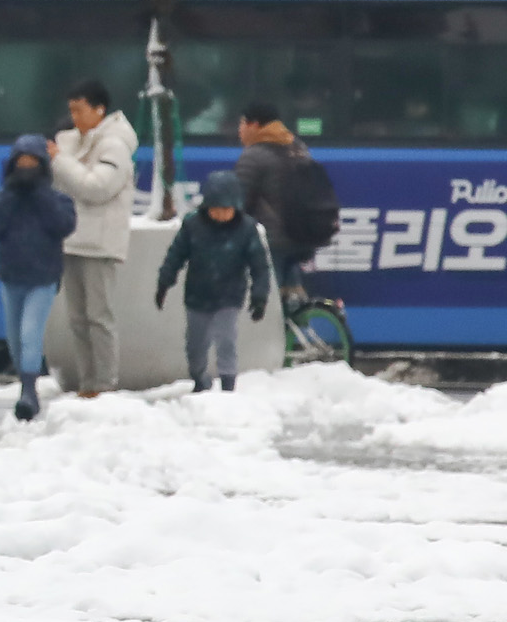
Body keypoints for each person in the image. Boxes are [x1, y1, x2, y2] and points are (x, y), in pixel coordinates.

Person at [47, 78, 139, 398]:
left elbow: (97, 188)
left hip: (99, 242)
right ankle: (87, 382)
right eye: (71, 110)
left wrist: (60, 160)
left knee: (99, 317)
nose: (74, 118)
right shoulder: (70, 141)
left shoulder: (114, 145)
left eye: (80, 110)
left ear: (100, 110)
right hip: (71, 237)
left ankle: (104, 383)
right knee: (77, 318)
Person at [0, 135, 76, 421]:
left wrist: (40, 193)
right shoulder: (3, 197)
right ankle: (25, 383)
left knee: (30, 333)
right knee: (14, 339)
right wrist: (11, 193)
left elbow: (64, 224)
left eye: (33, 164)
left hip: (43, 277)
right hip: (11, 275)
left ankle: (29, 393)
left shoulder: (56, 199)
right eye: (21, 164)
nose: (26, 169)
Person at [155, 170, 271, 394]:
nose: (221, 214)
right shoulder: (192, 225)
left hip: (230, 295)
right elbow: (175, 256)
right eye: (216, 209)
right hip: (198, 295)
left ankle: (228, 384)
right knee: (195, 345)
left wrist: (259, 296)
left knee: (226, 340)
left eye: (226, 209)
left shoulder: (246, 229)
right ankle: (200, 378)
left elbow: (259, 266)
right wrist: (164, 283)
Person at [235, 101, 337, 301]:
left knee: (265, 301)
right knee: (292, 298)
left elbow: (239, 201)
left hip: (274, 241)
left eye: (242, 123)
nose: (239, 130)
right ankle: (300, 324)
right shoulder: (297, 147)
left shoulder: (253, 156)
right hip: (303, 235)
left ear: (254, 125)